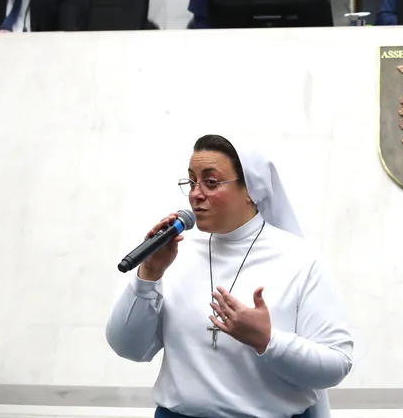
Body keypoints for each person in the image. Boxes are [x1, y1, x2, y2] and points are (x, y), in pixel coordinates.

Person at [106, 134, 353, 418]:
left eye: (211, 182)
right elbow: (128, 348)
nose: (196, 194)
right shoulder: (174, 254)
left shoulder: (299, 260)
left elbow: (337, 363)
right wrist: (148, 274)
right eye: (192, 181)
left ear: (250, 189)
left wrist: (268, 340)